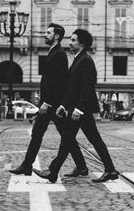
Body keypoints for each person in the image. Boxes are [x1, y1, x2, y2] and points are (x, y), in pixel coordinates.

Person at [34, 29, 119, 184]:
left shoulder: (85, 60)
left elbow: (87, 87)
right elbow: (72, 88)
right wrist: (64, 105)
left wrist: (78, 109)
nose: (70, 43)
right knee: (78, 140)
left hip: (80, 111)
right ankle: (109, 169)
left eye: (73, 40)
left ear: (82, 43)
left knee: (76, 140)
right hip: (75, 109)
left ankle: (53, 171)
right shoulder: (78, 59)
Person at [9, 23, 86, 177]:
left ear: (56, 36)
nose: (45, 35)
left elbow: (57, 81)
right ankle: (27, 165)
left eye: (48, 32)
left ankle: (27, 165)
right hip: (51, 103)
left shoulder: (59, 54)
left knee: (61, 135)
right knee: (44, 134)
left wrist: (47, 102)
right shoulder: (53, 52)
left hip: (53, 104)